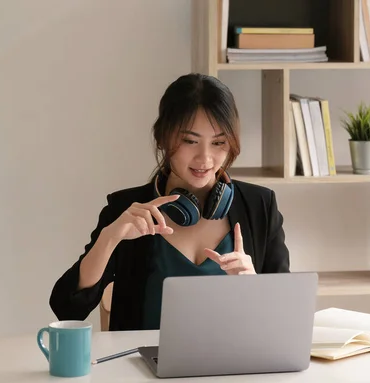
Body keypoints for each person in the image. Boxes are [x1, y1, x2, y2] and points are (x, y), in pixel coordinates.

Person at [49, 73, 290, 331]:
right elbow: (67, 309)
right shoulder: (126, 208)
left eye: (219, 143)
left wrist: (254, 284)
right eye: (190, 141)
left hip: (233, 368)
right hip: (142, 368)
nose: (205, 158)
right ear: (163, 137)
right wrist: (109, 238)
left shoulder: (259, 205)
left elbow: (286, 318)